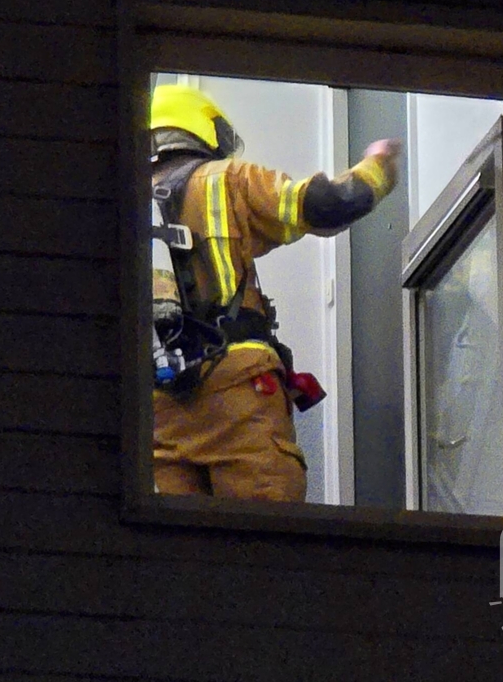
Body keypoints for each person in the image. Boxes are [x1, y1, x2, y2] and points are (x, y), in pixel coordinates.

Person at [150, 83, 402, 502]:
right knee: (267, 545)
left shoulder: (120, 201)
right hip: (235, 389)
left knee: (182, 550)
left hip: (156, 412)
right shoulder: (227, 181)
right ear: (201, 130)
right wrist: (378, 167)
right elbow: (327, 205)